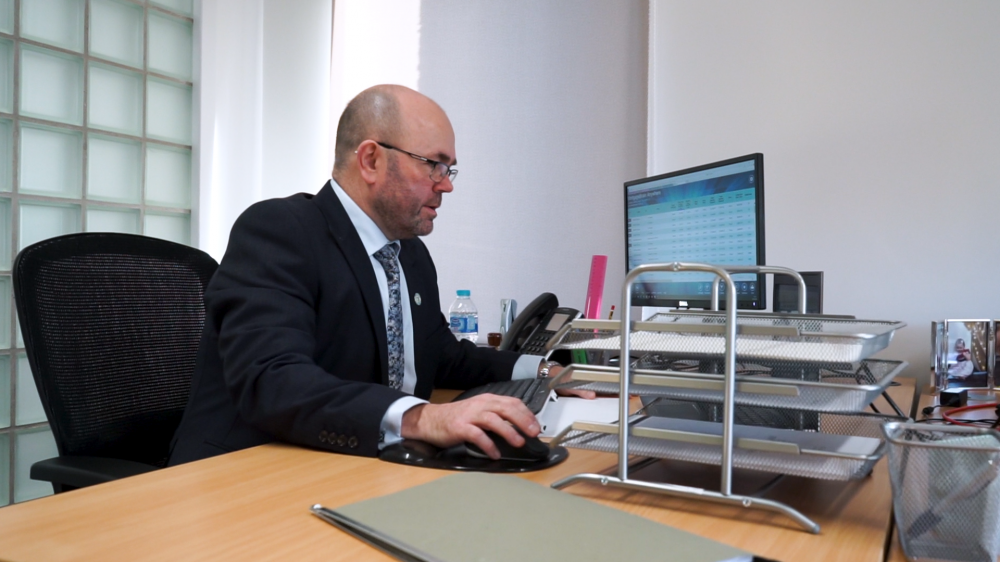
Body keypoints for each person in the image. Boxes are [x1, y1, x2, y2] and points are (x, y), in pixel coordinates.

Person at [169, 85, 588, 466]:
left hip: (352, 462)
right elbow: (273, 379)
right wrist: (422, 418)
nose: (446, 186)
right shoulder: (281, 230)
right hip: (247, 471)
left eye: (449, 169)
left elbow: (442, 356)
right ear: (371, 160)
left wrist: (544, 370)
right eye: (434, 166)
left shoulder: (410, 254)